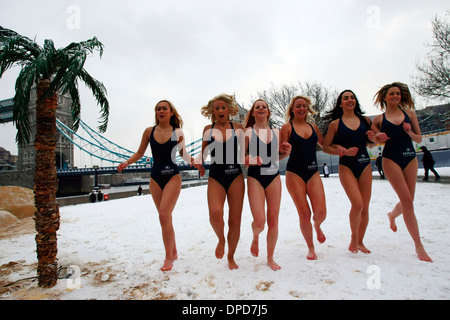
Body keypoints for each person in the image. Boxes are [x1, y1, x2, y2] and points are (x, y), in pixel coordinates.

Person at [118, 100, 205, 271]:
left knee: (164, 215)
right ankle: (173, 250)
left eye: (164, 108)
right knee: (165, 217)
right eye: (158, 109)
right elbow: (139, 153)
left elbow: (183, 154)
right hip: (155, 179)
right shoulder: (148, 131)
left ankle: (168, 259)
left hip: (172, 176)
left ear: (171, 112)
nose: (161, 111)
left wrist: (197, 163)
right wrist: (126, 162)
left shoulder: (177, 132)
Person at [373, 82, 432, 262]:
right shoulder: (378, 120)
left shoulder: (410, 114)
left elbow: (419, 138)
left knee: (409, 201)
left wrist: (408, 131)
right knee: (407, 201)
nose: (395, 96)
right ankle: (418, 245)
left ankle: (392, 215)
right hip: (391, 160)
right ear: (385, 97)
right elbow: (375, 142)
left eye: (398, 94)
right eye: (392, 94)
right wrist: (378, 137)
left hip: (410, 158)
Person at [323, 90, 387, 255]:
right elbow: (326, 147)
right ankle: (353, 237)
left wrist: (375, 137)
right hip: (346, 167)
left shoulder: (365, 120)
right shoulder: (335, 124)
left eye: (352, 97)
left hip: (364, 164)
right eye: (346, 98)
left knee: (365, 208)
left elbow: (378, 140)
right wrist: (341, 151)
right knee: (357, 204)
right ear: (340, 103)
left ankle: (360, 241)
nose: (350, 100)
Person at [198, 94, 245, 270]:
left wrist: (250, 157)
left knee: (235, 221)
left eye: (223, 107)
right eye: (216, 108)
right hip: (216, 175)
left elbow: (244, 152)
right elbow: (203, 154)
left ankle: (231, 256)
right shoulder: (207, 130)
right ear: (212, 111)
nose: (220, 110)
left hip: (235, 176)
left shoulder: (238, 127)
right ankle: (221, 239)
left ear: (229, 110)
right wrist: (199, 163)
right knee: (215, 213)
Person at [244, 99, 291, 270]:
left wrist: (285, 153)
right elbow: (240, 157)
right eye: (258, 107)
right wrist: (248, 159)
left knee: (273, 221)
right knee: (259, 221)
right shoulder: (248, 132)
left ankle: (270, 258)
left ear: (268, 112)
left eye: (264, 106)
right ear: (254, 113)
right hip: (255, 178)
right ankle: (255, 237)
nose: (261, 108)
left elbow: (276, 158)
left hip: (274, 177)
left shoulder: (277, 132)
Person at [280, 95, 327, 260]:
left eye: (304, 106)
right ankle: (311, 247)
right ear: (292, 109)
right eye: (298, 106)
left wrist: (344, 148)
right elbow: (281, 151)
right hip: (294, 173)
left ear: (308, 109)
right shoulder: (287, 127)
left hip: (313, 172)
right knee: (304, 214)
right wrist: (285, 149)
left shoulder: (313, 127)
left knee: (321, 213)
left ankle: (318, 225)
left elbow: (325, 144)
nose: (301, 109)